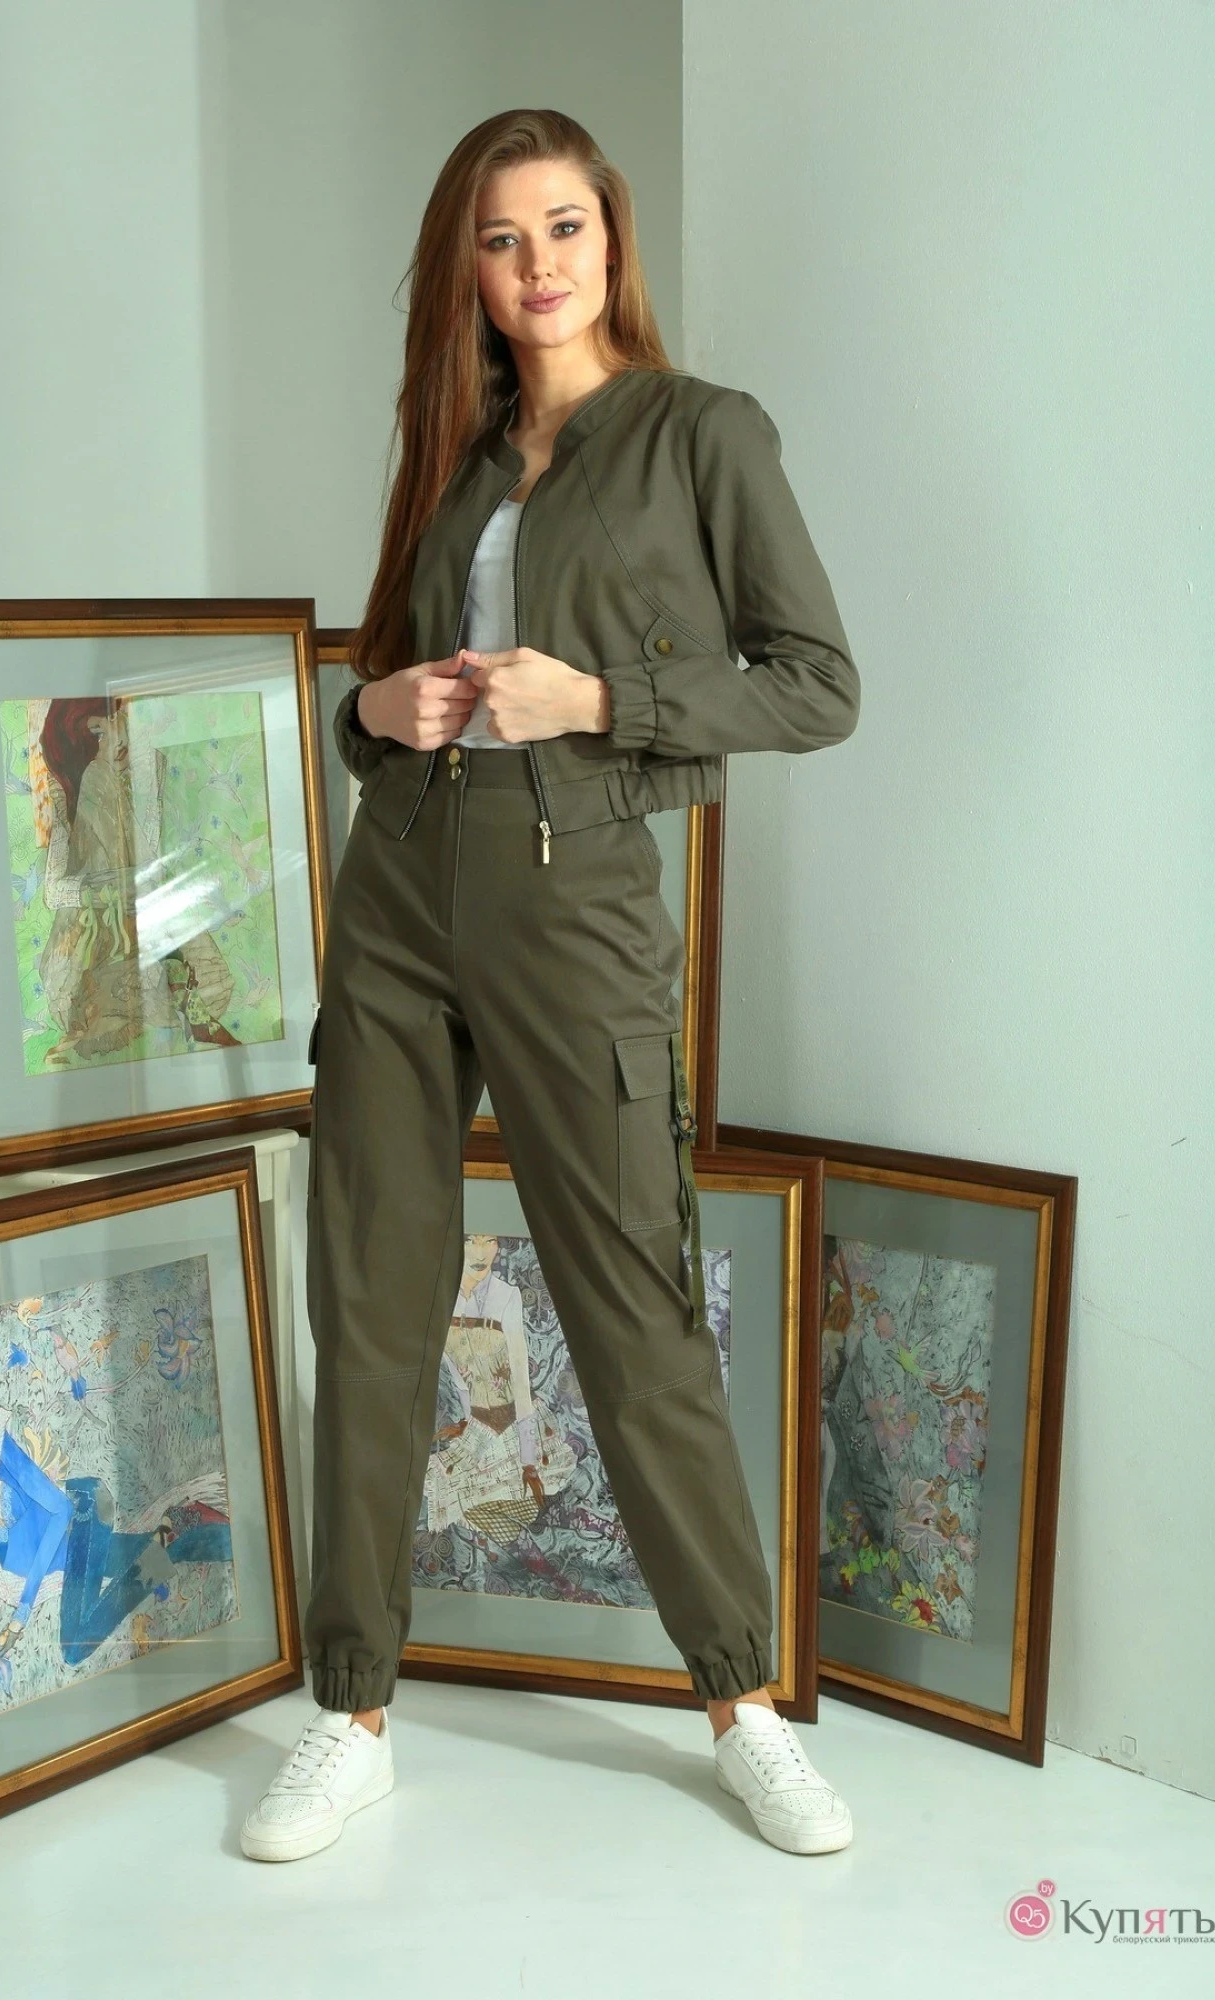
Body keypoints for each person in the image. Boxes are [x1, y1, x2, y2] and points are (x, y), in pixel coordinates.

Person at [241, 107, 860, 1864]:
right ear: (469, 267)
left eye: (565, 227)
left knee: (632, 1299)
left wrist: (598, 700)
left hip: (574, 898)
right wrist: (372, 709)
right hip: (399, 901)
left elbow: (817, 685)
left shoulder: (700, 434)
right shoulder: (453, 452)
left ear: (612, 238)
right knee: (368, 1291)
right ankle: (351, 1709)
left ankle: (743, 1703)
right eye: (502, 239)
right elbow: (382, 683)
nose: (538, 266)